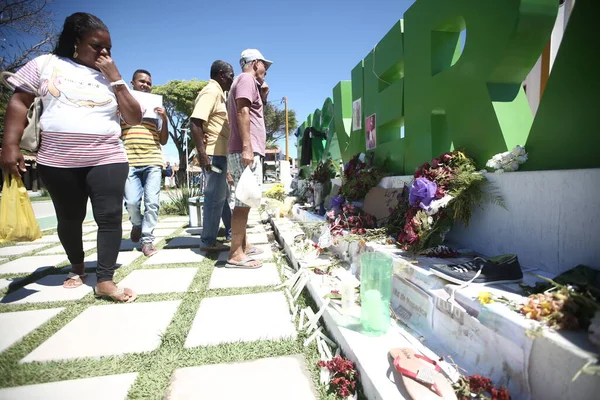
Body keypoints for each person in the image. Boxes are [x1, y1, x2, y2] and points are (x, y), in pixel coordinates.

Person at [0, 12, 140, 302]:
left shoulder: (110, 78)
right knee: (69, 219)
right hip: (58, 160)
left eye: (109, 49)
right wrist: (9, 145)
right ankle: (77, 265)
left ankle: (105, 279)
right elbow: (19, 101)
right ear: (76, 42)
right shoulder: (46, 64)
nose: (104, 53)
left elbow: (134, 116)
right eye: (96, 45)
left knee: (110, 216)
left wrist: (115, 78)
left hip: (107, 156)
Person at [225, 49, 272, 268]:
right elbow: (243, 112)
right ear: (255, 63)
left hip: (245, 148)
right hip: (246, 149)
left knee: (245, 198)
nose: (266, 70)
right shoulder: (245, 79)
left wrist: (262, 96)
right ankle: (235, 253)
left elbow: (250, 111)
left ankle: (243, 244)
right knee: (243, 202)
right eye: (265, 65)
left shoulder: (244, 82)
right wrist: (247, 147)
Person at [121, 69, 168, 257]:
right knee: (131, 202)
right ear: (132, 83)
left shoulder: (156, 108)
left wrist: (164, 118)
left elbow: (163, 140)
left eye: (149, 83)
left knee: (152, 202)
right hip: (129, 160)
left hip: (153, 160)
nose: (145, 85)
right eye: (142, 82)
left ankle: (147, 240)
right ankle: (137, 224)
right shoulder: (122, 105)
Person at [190, 60, 234, 251]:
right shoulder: (211, 91)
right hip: (213, 154)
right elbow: (196, 121)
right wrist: (202, 154)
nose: (233, 79)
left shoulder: (220, 94)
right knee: (214, 198)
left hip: (219, 153)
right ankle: (208, 241)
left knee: (221, 196)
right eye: (231, 75)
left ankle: (231, 231)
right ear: (222, 75)